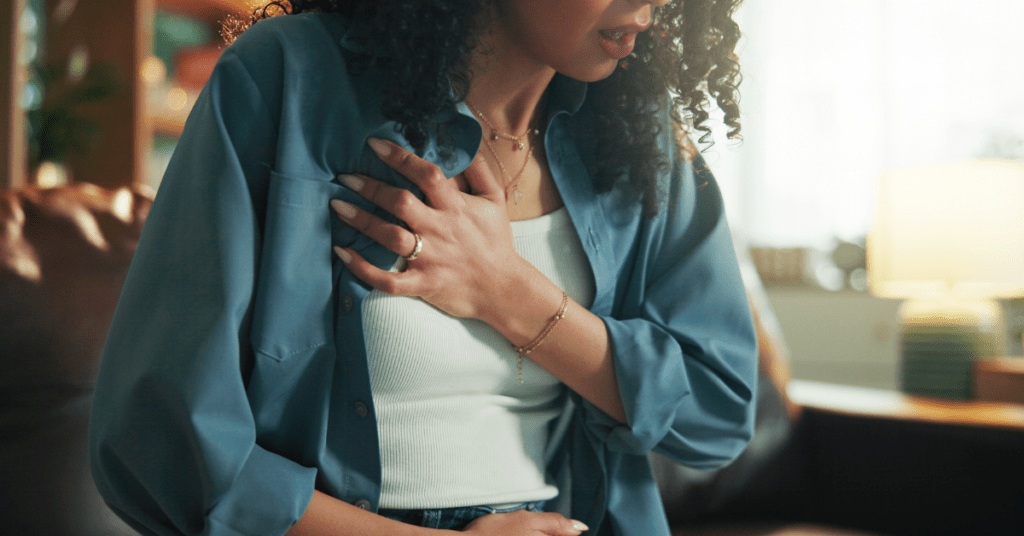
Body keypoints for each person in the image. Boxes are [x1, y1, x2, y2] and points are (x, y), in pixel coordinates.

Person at [88, 1, 757, 535]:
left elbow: (718, 412)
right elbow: (163, 446)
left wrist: (510, 292)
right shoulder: (287, 78)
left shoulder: (639, 139)